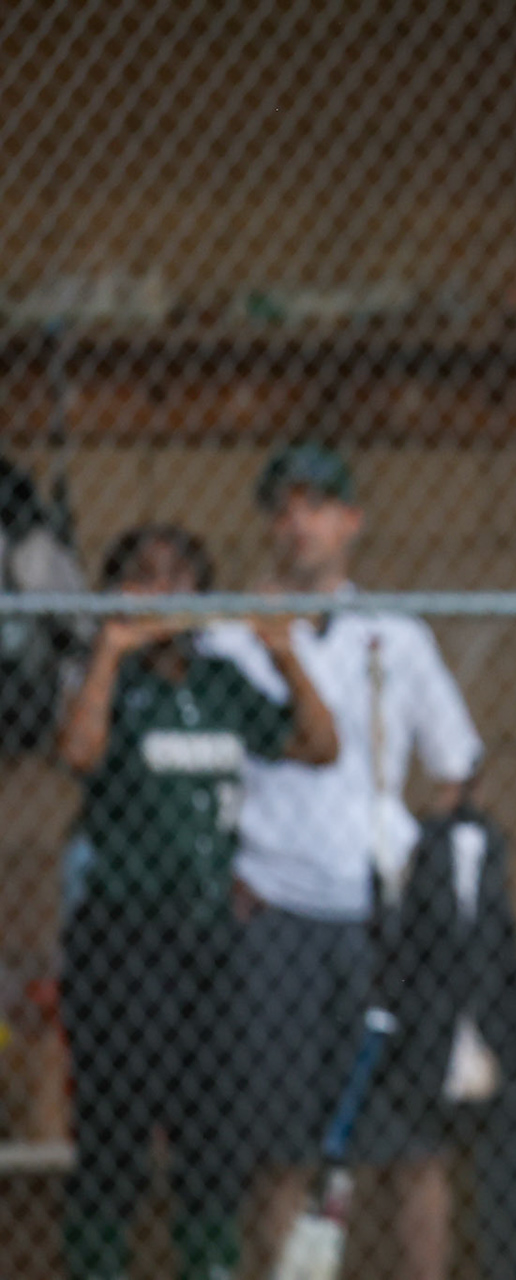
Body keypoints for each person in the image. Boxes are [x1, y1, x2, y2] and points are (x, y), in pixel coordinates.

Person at [199, 445, 483, 1280]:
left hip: (376, 907)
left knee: (412, 1142)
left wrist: (426, 868)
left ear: (351, 521)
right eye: (284, 507)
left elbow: (456, 762)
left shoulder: (396, 635)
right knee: (281, 1146)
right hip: (274, 901)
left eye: (318, 505)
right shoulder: (230, 636)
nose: (300, 524)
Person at [56, 524, 337, 1280]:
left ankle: (208, 1265)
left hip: (209, 936)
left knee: (211, 1127)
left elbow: (321, 745)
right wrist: (111, 648)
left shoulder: (219, 682)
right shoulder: (109, 678)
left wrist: (283, 653)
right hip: (124, 935)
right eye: (145, 575)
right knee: (115, 1123)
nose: (165, 590)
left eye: (180, 575)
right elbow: (78, 752)